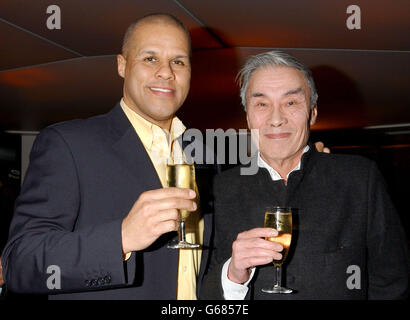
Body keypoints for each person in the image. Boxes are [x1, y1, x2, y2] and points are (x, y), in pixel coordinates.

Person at [1, 13, 216, 300]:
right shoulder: (69, 144)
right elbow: (20, 262)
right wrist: (121, 238)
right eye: (150, 58)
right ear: (122, 65)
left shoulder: (203, 156)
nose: (166, 72)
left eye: (178, 61)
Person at [200, 50, 409, 300]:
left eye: (291, 103)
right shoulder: (217, 189)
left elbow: (392, 281)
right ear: (248, 116)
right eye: (262, 104)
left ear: (312, 112)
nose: (276, 119)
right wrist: (233, 274)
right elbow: (201, 289)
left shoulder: (359, 179)